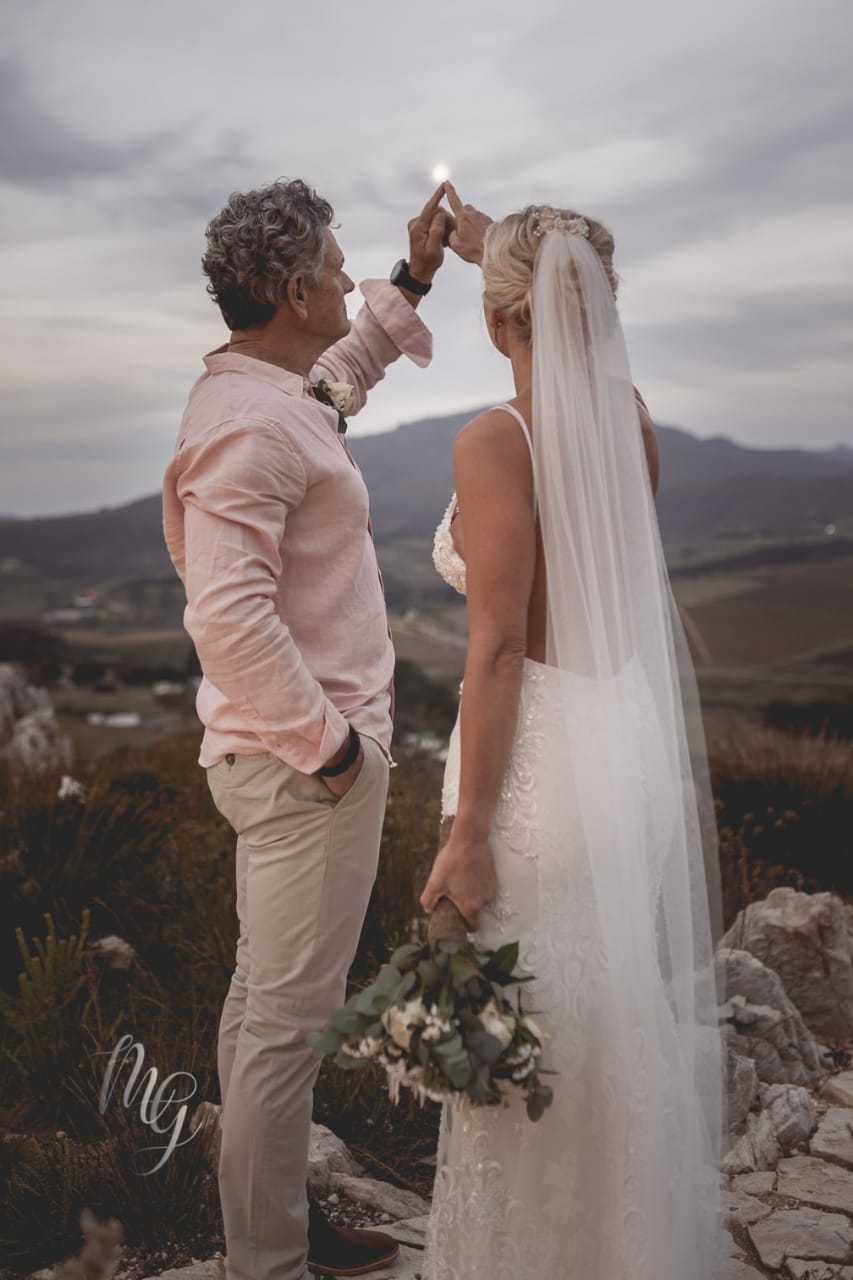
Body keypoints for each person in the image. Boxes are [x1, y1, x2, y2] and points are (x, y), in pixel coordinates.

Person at [420, 185, 728, 1278]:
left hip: (538, 771)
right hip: (623, 752)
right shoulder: (629, 422)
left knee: (518, 1041)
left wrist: (468, 830)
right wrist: (498, 258)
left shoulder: (493, 441)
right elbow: (556, 305)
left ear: (497, 317)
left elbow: (500, 648)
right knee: (607, 1024)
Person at [162, 178, 447, 1280]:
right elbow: (227, 616)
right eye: (336, 269)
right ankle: (269, 1262)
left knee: (261, 1010)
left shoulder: (271, 393)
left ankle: (270, 1220)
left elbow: (339, 380)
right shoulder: (248, 420)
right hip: (302, 768)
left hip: (280, 761)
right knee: (285, 1029)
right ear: (293, 291)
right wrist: (333, 751)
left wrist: (413, 275)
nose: (345, 282)